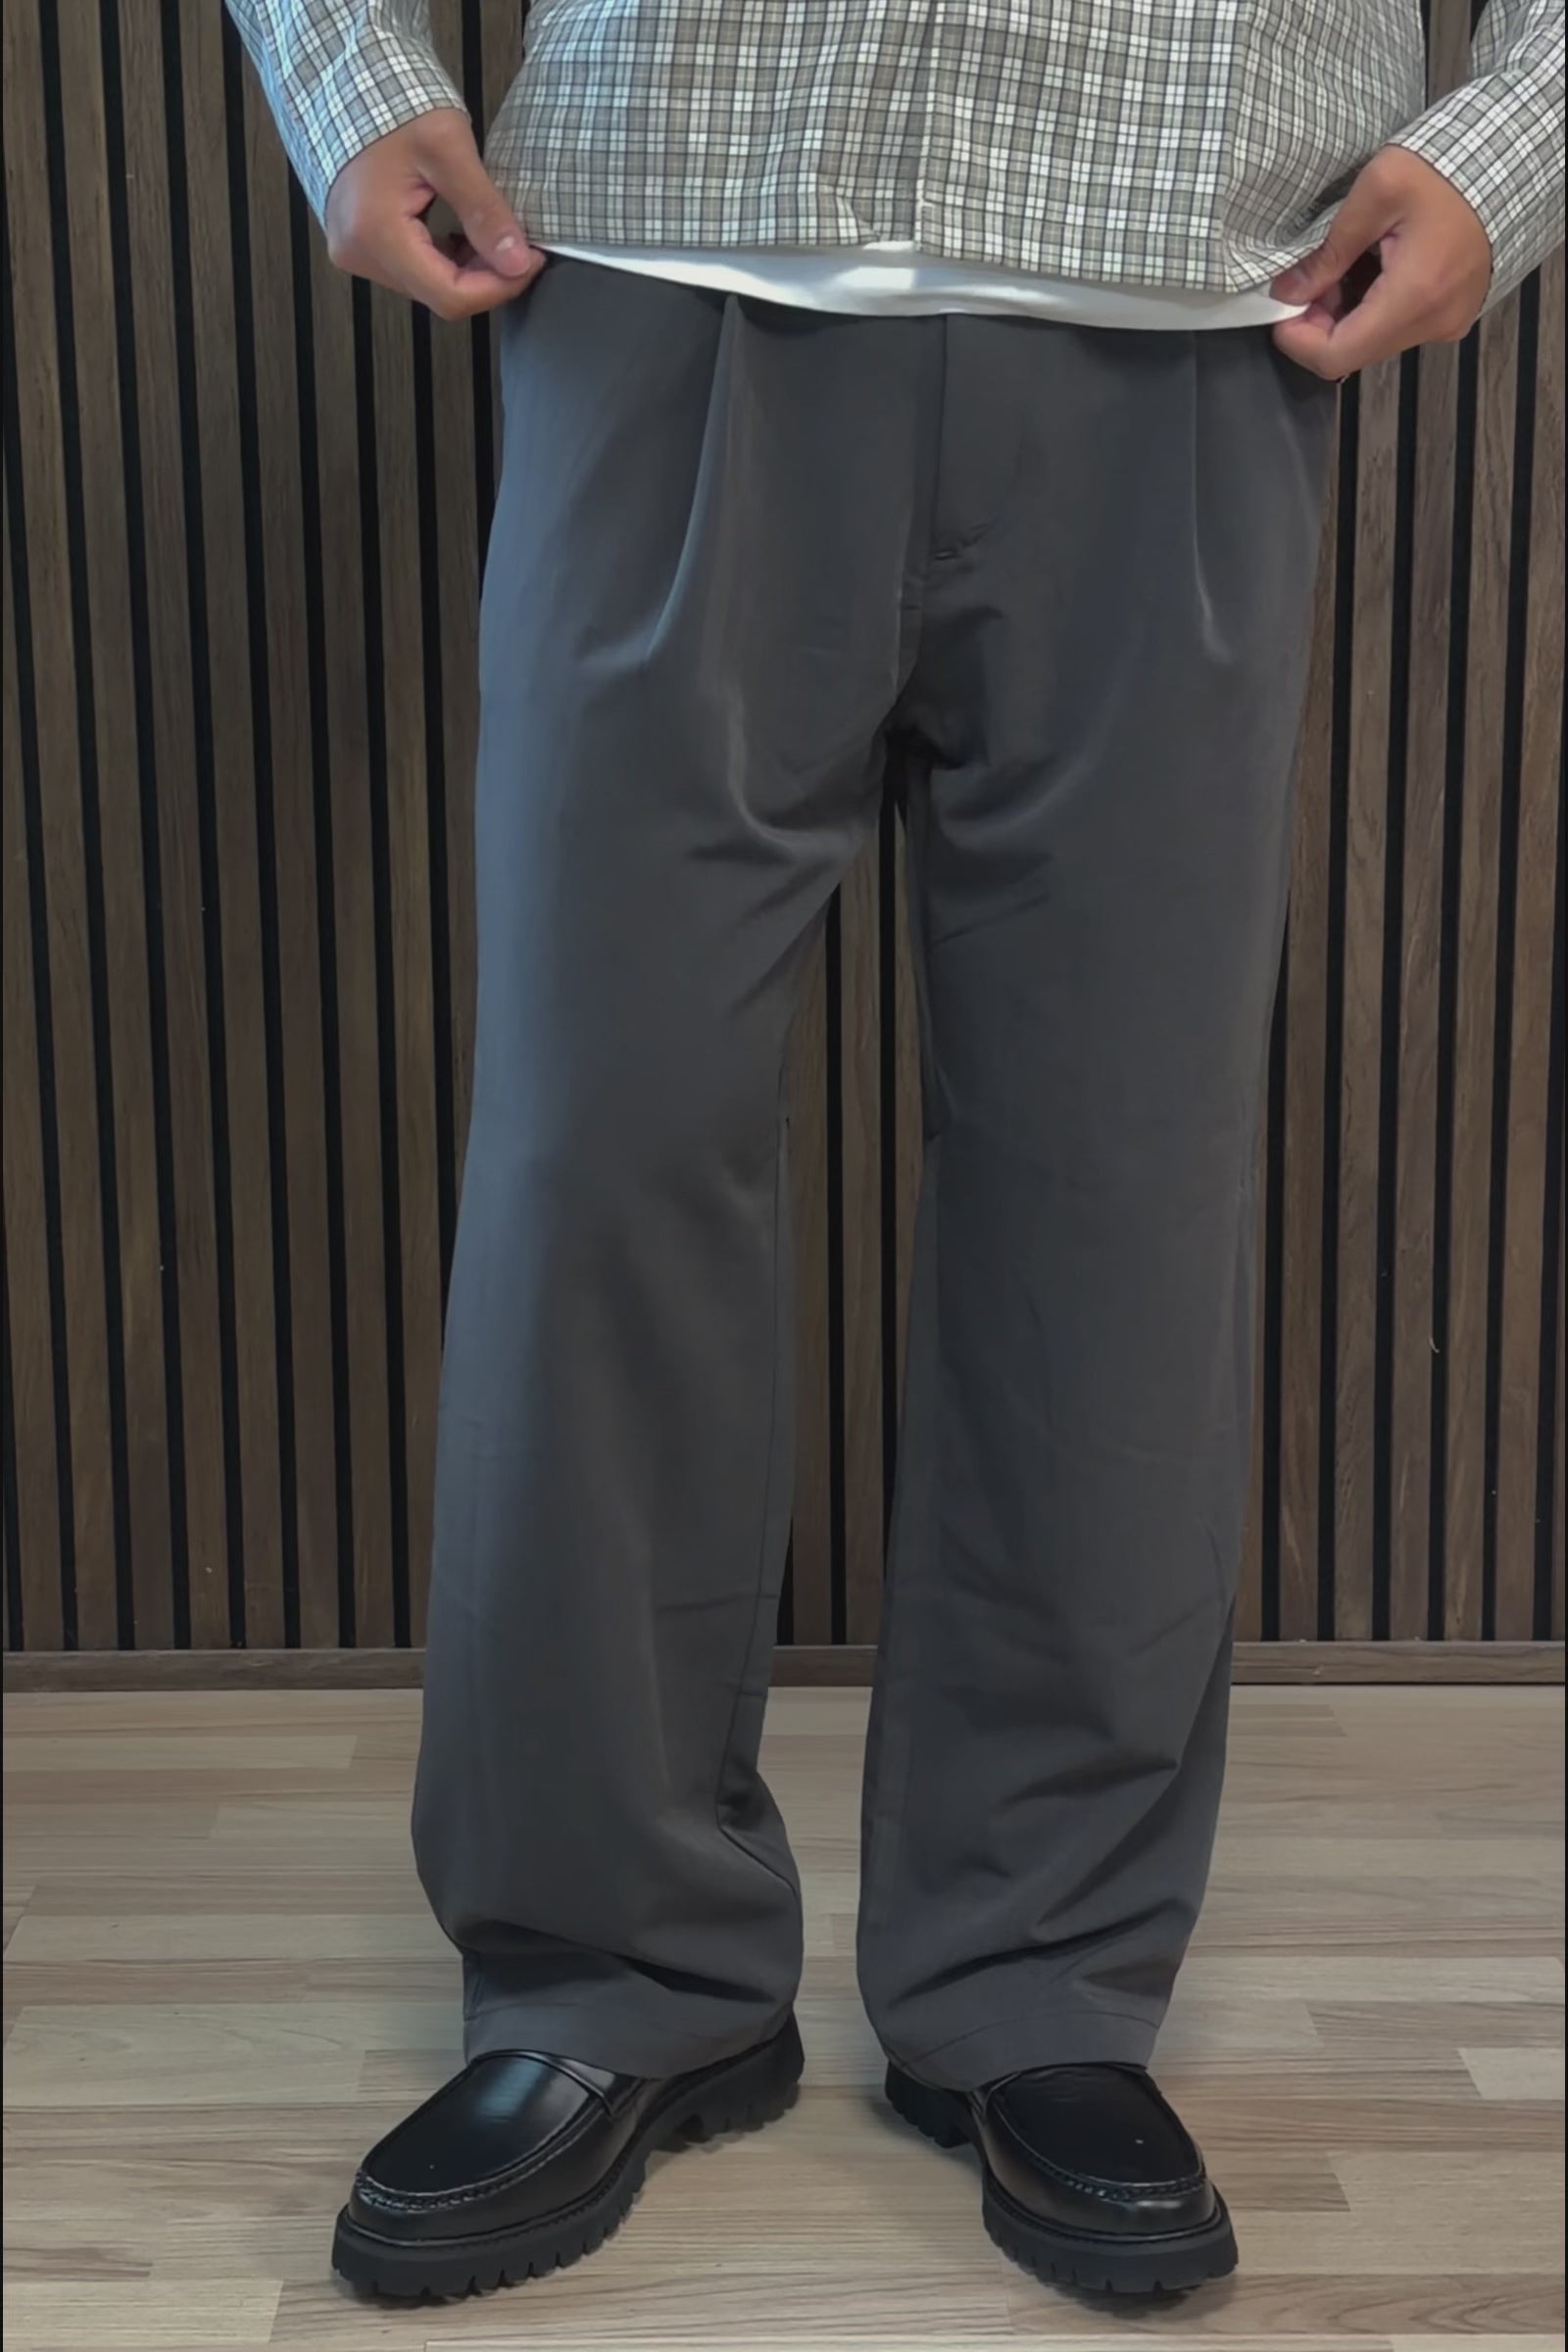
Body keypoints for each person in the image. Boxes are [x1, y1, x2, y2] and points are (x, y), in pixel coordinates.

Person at [233, 0, 1564, 2304]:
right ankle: (604, 1972)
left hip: (1189, 277)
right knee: (595, 1161)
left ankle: (1039, 1982)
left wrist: (1509, 140)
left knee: (1114, 1191)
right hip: (665, 246)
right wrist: (347, 78)